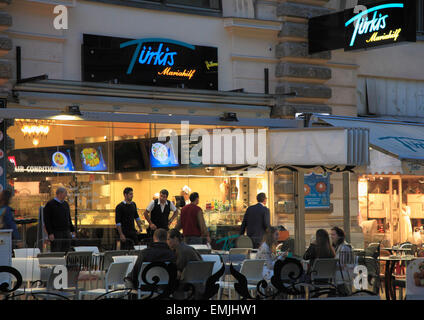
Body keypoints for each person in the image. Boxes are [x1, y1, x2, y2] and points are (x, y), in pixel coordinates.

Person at [43, 187, 75, 252]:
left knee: (66, 249)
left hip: (66, 231)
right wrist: (50, 233)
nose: (66, 195)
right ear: (60, 194)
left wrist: (72, 230)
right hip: (56, 232)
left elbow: (68, 217)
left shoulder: (65, 204)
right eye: (65, 193)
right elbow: (47, 220)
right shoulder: (50, 204)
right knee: (57, 249)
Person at [330, 227, 354, 294]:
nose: (331, 237)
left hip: (343, 276)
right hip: (340, 275)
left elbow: (343, 264)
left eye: (333, 235)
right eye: (331, 234)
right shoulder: (338, 247)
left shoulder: (344, 247)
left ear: (340, 236)